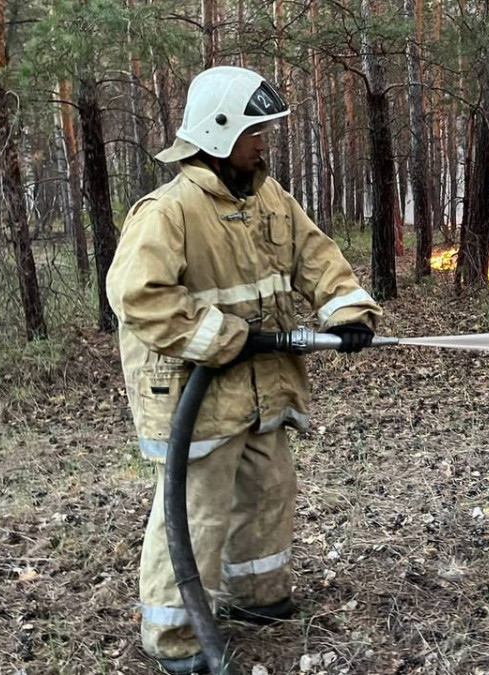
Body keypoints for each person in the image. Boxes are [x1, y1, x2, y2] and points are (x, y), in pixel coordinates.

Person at [106, 66, 382, 674]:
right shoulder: (168, 212)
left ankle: (256, 597)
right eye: (255, 130)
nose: (264, 142)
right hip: (194, 397)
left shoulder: (268, 196)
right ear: (219, 130)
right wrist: (231, 339)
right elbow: (139, 297)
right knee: (196, 510)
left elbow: (317, 257)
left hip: (262, 388)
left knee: (268, 489)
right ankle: (175, 635)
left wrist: (349, 312)